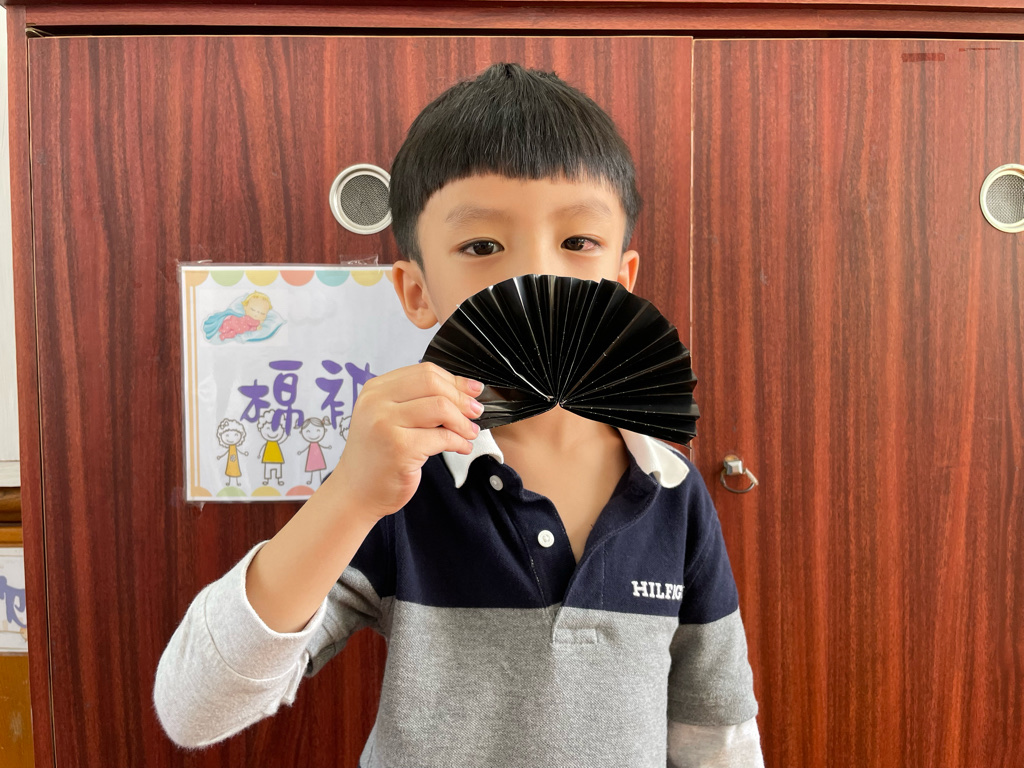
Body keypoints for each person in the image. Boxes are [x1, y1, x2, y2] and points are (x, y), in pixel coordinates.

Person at [153, 62, 763, 768]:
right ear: (417, 292)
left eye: (577, 242)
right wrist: (351, 494)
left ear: (623, 282)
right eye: (481, 246)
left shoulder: (673, 492)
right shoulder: (397, 484)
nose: (536, 276)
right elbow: (194, 707)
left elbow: (717, 738)